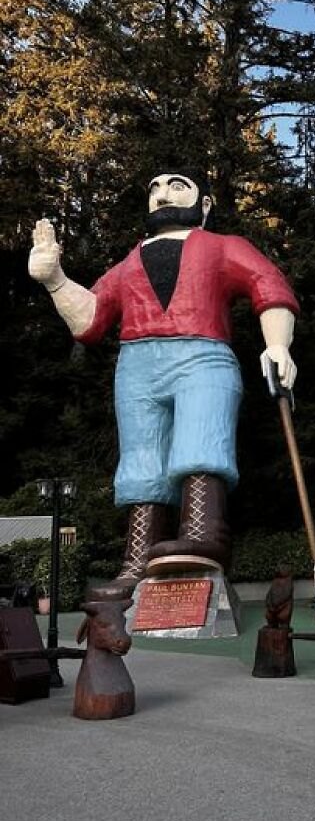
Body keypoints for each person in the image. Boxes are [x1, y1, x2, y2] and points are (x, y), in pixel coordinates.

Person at [29, 168, 299, 591]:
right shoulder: (129, 262)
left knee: (201, 440)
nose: (162, 194)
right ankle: (138, 556)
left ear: (205, 204)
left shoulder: (223, 247)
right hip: (137, 363)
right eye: (154, 187)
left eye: (177, 186)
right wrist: (55, 280)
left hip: (203, 355)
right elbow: (91, 319)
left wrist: (278, 344)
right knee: (141, 458)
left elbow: (267, 285)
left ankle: (204, 533)